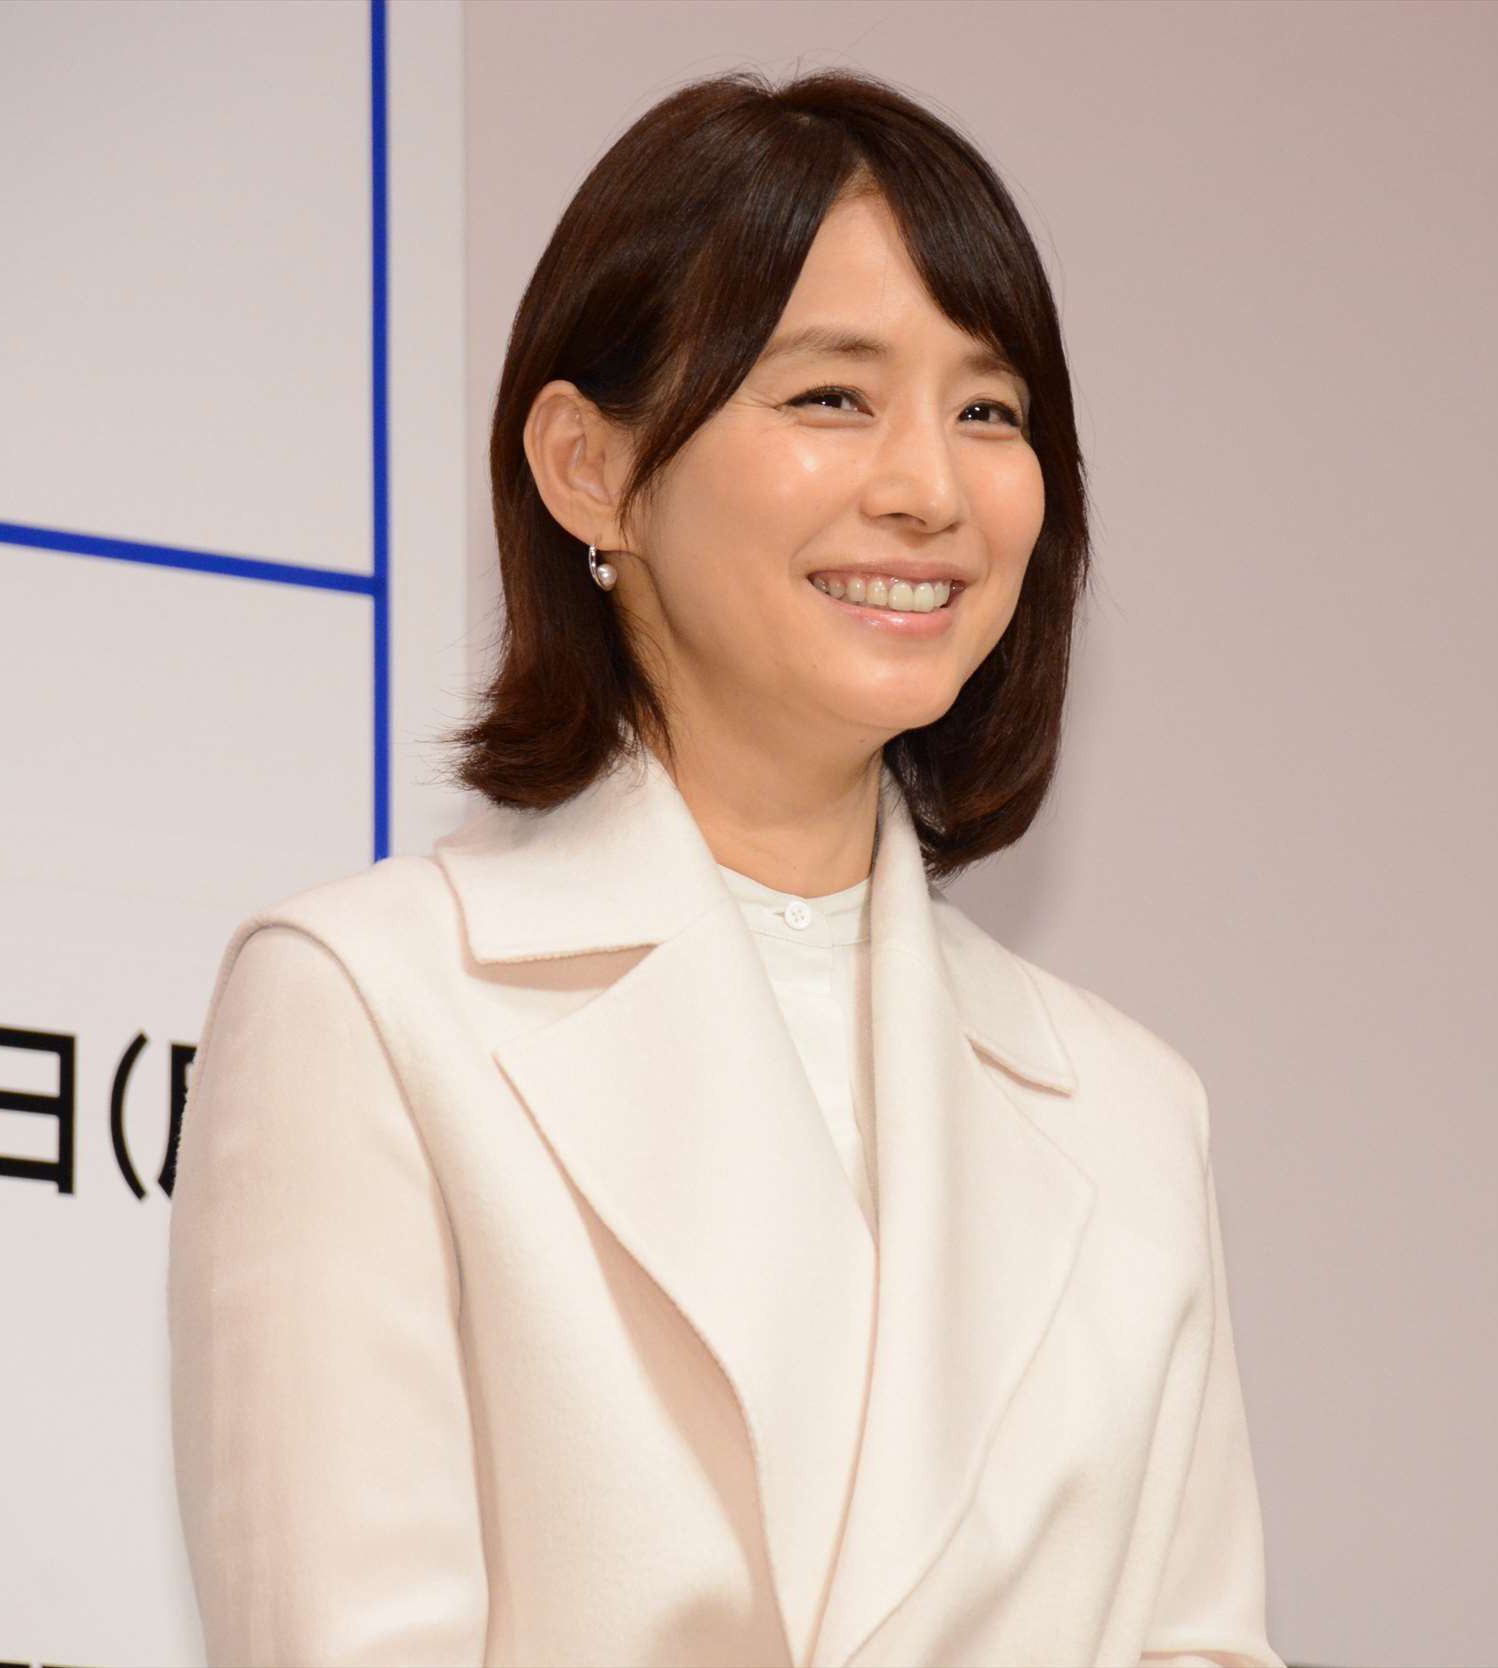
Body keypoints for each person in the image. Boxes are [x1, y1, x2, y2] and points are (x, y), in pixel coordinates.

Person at [167, 66, 1283, 1668]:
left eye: (988, 411)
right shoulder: (372, 1007)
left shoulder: (1128, 1110)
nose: (929, 489)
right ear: (589, 467)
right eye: (830, 397)